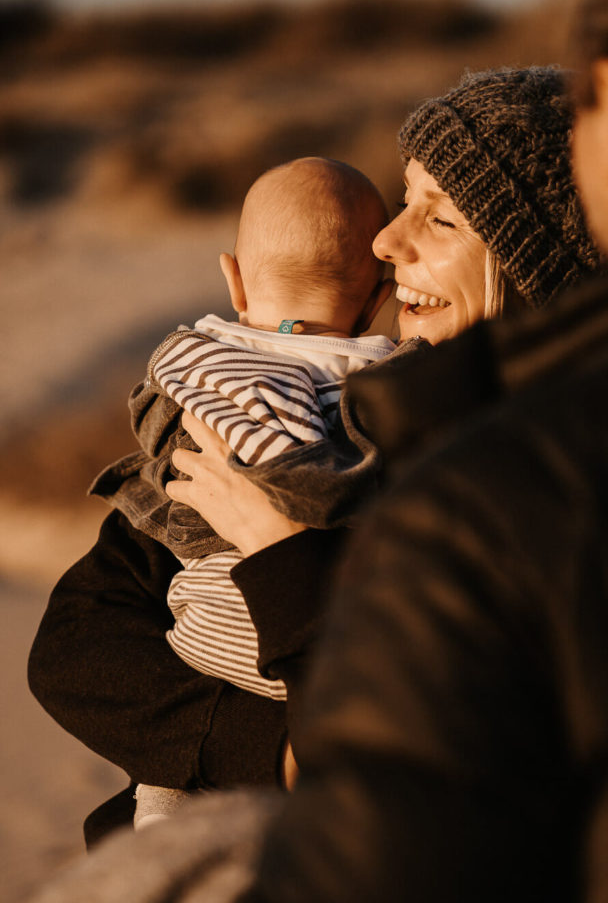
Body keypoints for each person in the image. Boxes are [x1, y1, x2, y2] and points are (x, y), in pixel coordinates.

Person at [28, 66, 598, 844]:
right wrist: (272, 752)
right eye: (404, 200)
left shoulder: (552, 481)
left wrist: (285, 550)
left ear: (529, 266)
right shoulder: (330, 404)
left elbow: (437, 739)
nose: (386, 241)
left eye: (440, 222)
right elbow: (79, 642)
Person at [86, 155, 396, 828]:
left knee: (162, 789)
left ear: (233, 277)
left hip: (199, 615)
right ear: (377, 298)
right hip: (301, 632)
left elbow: (151, 429)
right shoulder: (383, 380)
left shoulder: (193, 356)